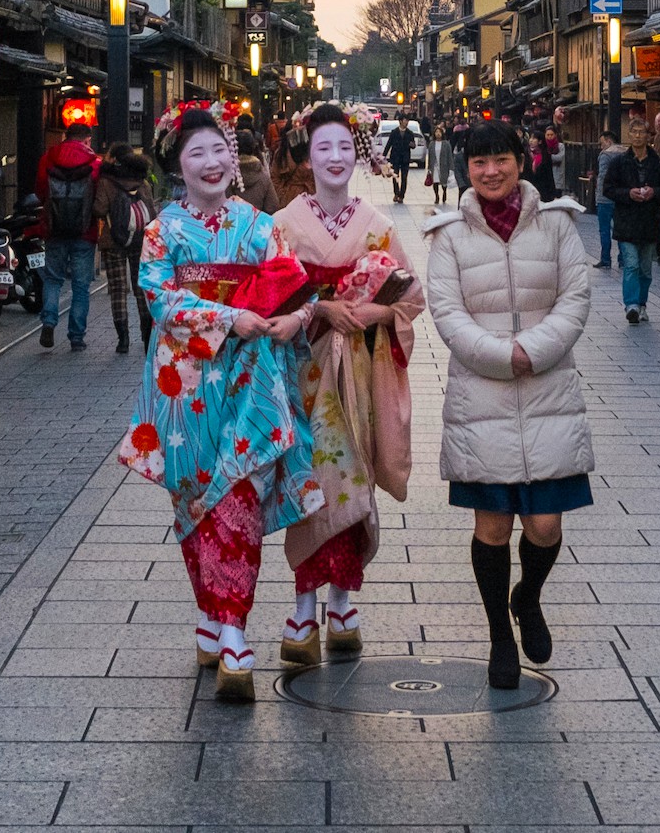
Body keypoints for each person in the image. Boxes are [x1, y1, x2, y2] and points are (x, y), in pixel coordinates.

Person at [117, 107, 315, 702]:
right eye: (196, 153)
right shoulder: (162, 232)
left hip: (251, 376)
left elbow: (295, 287)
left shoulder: (259, 225)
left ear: (234, 156)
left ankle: (232, 633)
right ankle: (211, 613)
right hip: (185, 382)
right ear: (176, 165)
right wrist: (232, 316)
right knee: (196, 500)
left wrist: (294, 318)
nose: (211, 163)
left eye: (218, 150)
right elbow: (158, 298)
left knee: (238, 500)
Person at [423, 120, 594, 690]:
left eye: (500, 158)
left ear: (521, 161)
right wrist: (501, 355)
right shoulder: (448, 235)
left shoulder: (556, 225)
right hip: (482, 397)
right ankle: (500, 634)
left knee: (545, 526)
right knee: (493, 526)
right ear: (465, 169)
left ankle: (529, 596)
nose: (490, 170)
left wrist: (532, 350)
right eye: (478, 161)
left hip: (548, 392)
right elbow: (446, 312)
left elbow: (576, 297)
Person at [274, 105, 422, 665]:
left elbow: (409, 297)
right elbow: (271, 297)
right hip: (303, 369)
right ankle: (305, 604)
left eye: (343, 147)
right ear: (306, 156)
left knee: (352, 474)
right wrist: (320, 307)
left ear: (356, 153)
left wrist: (372, 314)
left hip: (358, 370)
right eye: (323, 148)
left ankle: (339, 601)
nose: (334, 158)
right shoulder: (283, 224)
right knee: (310, 477)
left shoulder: (378, 224)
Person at [602, 118, 660, 325]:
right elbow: (608, 189)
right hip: (626, 220)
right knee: (631, 264)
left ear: (649, 136)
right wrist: (628, 193)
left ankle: (642, 303)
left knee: (645, 268)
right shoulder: (618, 163)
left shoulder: (658, 163)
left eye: (642, 132)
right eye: (634, 132)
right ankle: (631, 305)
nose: (638, 136)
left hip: (649, 221)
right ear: (629, 135)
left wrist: (653, 192)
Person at [36, 121, 101, 350]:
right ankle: (76, 337)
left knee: (53, 279)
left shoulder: (48, 158)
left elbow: (40, 190)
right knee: (81, 286)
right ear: (86, 140)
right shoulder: (95, 164)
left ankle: (49, 322)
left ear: (65, 136)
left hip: (54, 229)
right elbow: (100, 199)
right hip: (85, 231)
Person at [95, 144, 157, 354]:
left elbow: (99, 208)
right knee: (141, 288)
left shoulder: (106, 182)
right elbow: (152, 211)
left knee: (118, 289)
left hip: (114, 241)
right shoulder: (142, 182)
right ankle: (147, 336)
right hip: (141, 241)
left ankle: (123, 340)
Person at [592, 130, 624, 270]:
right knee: (621, 229)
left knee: (604, 230)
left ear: (609, 141)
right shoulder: (626, 153)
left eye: (602, 143)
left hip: (605, 198)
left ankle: (606, 259)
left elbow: (603, 177)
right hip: (621, 196)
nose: (601, 146)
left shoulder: (605, 155)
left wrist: (599, 193)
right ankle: (623, 259)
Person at [235, 129, 282, 213]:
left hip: (229, 224)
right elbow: (272, 207)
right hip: (257, 224)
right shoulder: (263, 177)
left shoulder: (225, 178)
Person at [523, 130, 560, 203]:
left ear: (540, 141)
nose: (531, 140)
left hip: (542, 189)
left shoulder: (545, 155)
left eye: (534, 138)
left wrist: (552, 193)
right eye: (530, 138)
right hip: (528, 188)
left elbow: (549, 175)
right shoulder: (525, 154)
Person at [383, 119, 415, 203]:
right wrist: (383, 156)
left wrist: (412, 145)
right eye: (405, 121)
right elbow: (389, 144)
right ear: (400, 121)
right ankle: (396, 193)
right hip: (395, 157)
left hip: (405, 158)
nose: (406, 122)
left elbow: (413, 144)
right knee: (395, 176)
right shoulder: (394, 132)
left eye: (407, 121)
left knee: (404, 177)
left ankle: (402, 195)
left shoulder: (410, 133)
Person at [428, 123, 454, 206]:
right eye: (436, 132)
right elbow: (430, 156)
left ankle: (444, 192)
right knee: (435, 181)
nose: (438, 134)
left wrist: (451, 168)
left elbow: (450, 156)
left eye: (439, 132)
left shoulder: (446, 144)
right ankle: (436, 196)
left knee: (443, 182)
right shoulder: (432, 144)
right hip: (435, 166)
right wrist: (429, 168)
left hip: (444, 166)